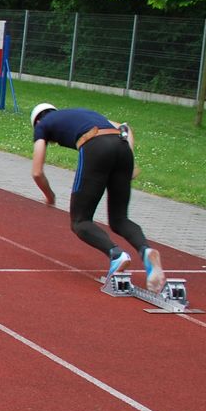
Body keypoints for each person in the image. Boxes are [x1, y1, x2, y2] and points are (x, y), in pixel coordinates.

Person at [29, 102, 164, 290]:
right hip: (122, 147)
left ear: (36, 122)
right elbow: (125, 128)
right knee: (119, 219)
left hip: (95, 146)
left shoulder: (42, 126)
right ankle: (146, 251)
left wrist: (50, 196)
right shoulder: (81, 112)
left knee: (80, 221)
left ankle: (116, 255)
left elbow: (37, 172)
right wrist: (130, 161)